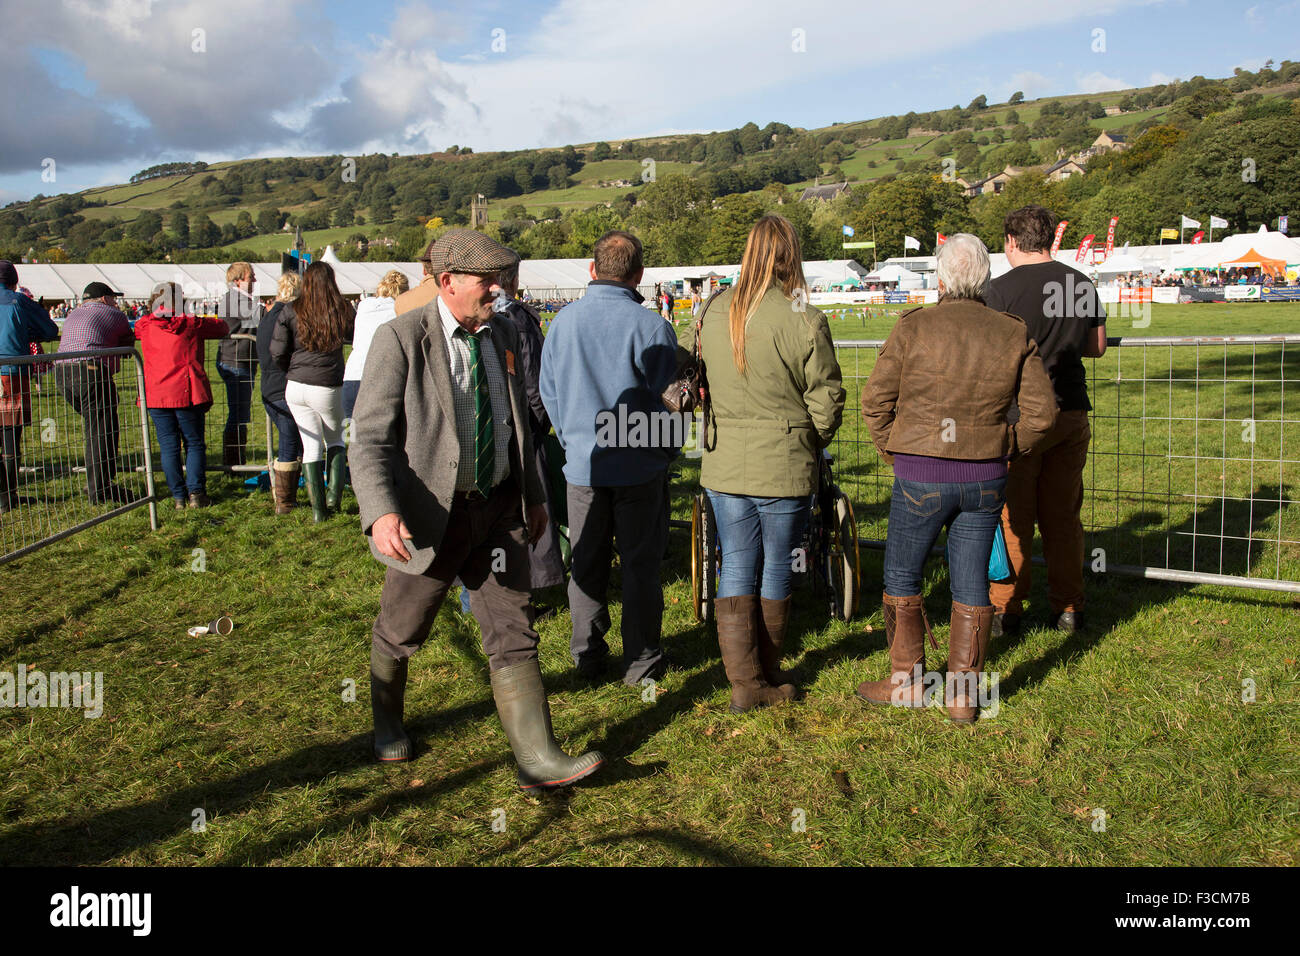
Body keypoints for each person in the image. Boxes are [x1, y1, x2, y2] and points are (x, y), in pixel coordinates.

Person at [351, 229, 603, 789]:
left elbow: (518, 425)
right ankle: (386, 720)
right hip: (428, 520)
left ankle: (537, 758)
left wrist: (534, 497)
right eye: (487, 281)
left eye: (503, 278)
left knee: (513, 630)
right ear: (447, 283)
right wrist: (381, 512)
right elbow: (368, 437)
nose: (499, 289)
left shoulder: (506, 332)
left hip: (499, 513)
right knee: (401, 630)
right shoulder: (400, 339)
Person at [859, 234, 1057, 723]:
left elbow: (874, 401)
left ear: (941, 280)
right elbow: (1042, 415)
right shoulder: (1012, 332)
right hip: (985, 477)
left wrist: (896, 452)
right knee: (971, 580)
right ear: (985, 279)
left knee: (903, 574)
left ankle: (907, 683)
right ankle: (963, 695)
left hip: (920, 473)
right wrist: (1004, 446)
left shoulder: (914, 327)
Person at [699, 215, 846, 712]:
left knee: (737, 565)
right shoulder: (803, 317)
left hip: (724, 464)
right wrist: (811, 440)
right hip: (781, 464)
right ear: (791, 255)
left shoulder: (713, 310)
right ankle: (762, 677)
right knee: (776, 567)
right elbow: (827, 400)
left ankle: (747, 683)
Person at [540, 231, 679, 686]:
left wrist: (574, 441)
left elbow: (550, 395)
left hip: (584, 467)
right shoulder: (652, 326)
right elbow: (671, 403)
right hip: (638, 468)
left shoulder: (561, 323)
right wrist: (663, 453)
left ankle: (587, 656)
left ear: (592, 270)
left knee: (587, 565)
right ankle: (640, 664)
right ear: (639, 274)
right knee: (640, 568)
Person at [987, 205, 1107, 636]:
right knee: (1063, 517)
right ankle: (1068, 608)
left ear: (1011, 242)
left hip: (1020, 418)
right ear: (1048, 239)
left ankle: (1007, 609)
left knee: (1014, 518)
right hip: (1071, 408)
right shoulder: (1081, 282)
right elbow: (1097, 346)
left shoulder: (997, 291)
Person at [493, 260, 565, 594]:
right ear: (515, 279)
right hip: (520, 428)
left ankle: (501, 583)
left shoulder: (486, 317)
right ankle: (531, 584)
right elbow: (536, 382)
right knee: (526, 510)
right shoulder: (517, 319)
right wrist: (536, 427)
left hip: (494, 429)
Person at [271, 261, 354, 522]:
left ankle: (319, 510)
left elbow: (278, 352)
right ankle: (332, 496)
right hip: (327, 384)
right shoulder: (341, 308)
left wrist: (292, 370)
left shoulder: (291, 310)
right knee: (337, 439)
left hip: (295, 385)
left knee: (311, 445)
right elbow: (355, 336)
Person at [135, 282, 230, 509]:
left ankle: (178, 497)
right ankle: (196, 493)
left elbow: (133, 332)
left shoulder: (145, 325)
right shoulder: (191, 324)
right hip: (186, 392)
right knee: (194, 443)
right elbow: (222, 328)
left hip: (157, 394)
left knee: (168, 446)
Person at [53, 281, 137, 505]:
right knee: (102, 431)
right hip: (91, 371)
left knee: (95, 429)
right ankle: (100, 489)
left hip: (62, 373)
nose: (116, 302)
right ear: (104, 298)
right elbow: (128, 338)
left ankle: (97, 482)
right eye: (113, 298)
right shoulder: (113, 313)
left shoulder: (72, 314)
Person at [0, 262, 59, 513]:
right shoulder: (18, 300)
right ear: (14, 282)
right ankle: (7, 497)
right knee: (11, 437)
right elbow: (49, 329)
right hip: (11, 373)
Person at [258, 270, 305, 514]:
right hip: (283, 386)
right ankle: (284, 501)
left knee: (292, 439)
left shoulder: (268, 315)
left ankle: (290, 492)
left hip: (268, 387)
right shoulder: (290, 316)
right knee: (288, 441)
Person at [343, 270, 409, 420]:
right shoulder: (398, 311)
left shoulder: (364, 307)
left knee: (353, 436)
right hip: (379, 379)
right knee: (381, 437)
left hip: (352, 376)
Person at [216, 262, 263, 467]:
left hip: (240, 359)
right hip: (236, 361)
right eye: (250, 276)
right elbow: (261, 318)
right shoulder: (236, 299)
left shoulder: (239, 299)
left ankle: (235, 460)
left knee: (240, 412)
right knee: (239, 413)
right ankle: (234, 462)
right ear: (237, 280)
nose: (254, 280)